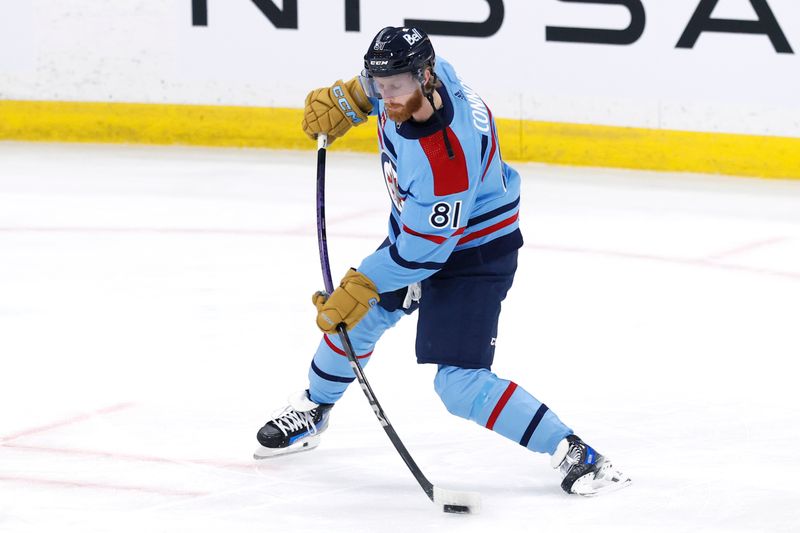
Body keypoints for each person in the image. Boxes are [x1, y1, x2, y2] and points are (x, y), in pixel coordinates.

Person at [254, 26, 630, 496]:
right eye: (379, 83)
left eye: (396, 86)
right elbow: (381, 86)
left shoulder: (445, 161)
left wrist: (363, 283)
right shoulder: (430, 77)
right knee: (354, 324)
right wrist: (351, 96)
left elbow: (421, 253)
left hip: (472, 255)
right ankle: (313, 408)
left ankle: (577, 453)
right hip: (424, 236)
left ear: (424, 76)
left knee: (458, 386)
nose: (386, 96)